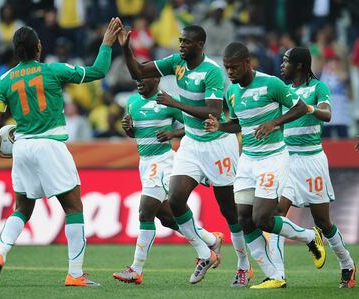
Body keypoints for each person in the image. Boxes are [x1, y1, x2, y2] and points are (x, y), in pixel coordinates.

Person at [0, 19, 121, 287]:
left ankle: (0, 254)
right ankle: (75, 274)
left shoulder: (4, 81)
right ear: (38, 47)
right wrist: (106, 43)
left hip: (22, 147)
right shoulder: (53, 71)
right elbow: (98, 71)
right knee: (73, 208)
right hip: (50, 145)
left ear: (15, 52)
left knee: (22, 208)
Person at [118, 21, 251, 286]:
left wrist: (174, 102)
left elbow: (213, 111)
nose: (181, 45)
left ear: (200, 45)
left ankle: (244, 266)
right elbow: (138, 70)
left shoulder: (212, 71)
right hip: (191, 142)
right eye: (179, 40)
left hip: (218, 143)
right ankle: (205, 252)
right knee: (176, 200)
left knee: (228, 209)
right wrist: (125, 48)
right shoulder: (175, 62)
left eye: (186, 42)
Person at [204, 42, 326, 289]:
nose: (230, 72)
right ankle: (274, 275)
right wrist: (220, 127)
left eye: (234, 67)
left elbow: (301, 108)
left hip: (273, 157)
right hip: (247, 159)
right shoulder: (232, 93)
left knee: (262, 217)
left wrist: (274, 123)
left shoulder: (271, 84)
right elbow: (238, 123)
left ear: (248, 63)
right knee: (243, 218)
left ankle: (309, 237)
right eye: (227, 68)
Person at [112, 75, 223, 284]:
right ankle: (210, 240)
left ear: (156, 79)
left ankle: (136, 269)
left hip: (162, 162)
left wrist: (174, 133)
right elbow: (135, 133)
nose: (138, 81)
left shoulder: (168, 101)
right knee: (166, 217)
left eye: (143, 77)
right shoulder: (132, 101)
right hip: (144, 162)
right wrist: (128, 129)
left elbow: (195, 124)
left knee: (145, 212)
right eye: (136, 78)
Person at [268, 47, 356, 288]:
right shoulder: (284, 92)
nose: (282, 65)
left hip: (312, 160)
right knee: (275, 215)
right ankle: (278, 275)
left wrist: (308, 108)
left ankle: (347, 264)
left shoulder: (318, 88)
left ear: (299, 65)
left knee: (323, 222)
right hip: (287, 159)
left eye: (286, 61)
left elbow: (327, 115)